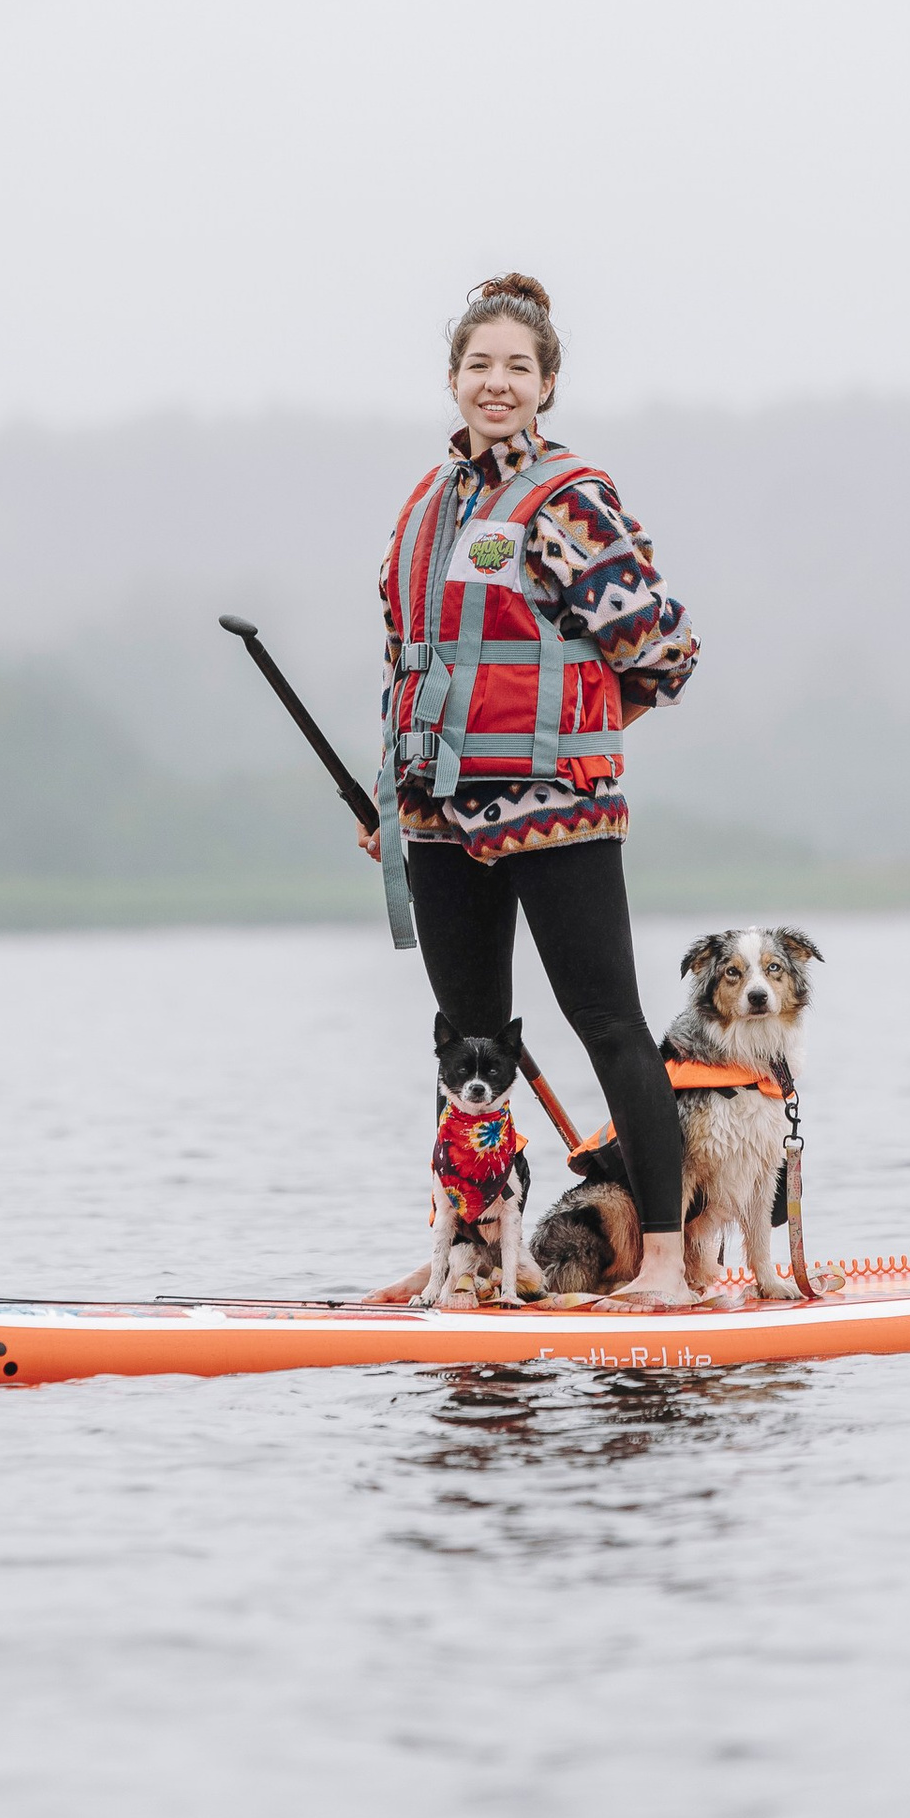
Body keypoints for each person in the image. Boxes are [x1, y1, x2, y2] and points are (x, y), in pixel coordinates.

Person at [364, 270, 698, 1307]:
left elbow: (663, 652)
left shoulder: (567, 500)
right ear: (452, 379)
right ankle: (469, 1254)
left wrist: (578, 736)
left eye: (517, 366)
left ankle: (667, 1260)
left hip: (555, 808)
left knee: (607, 1021)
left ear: (546, 382)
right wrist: (392, 802)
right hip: (435, 815)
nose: (495, 382)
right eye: (478, 365)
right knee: (468, 1042)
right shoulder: (426, 504)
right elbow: (406, 660)